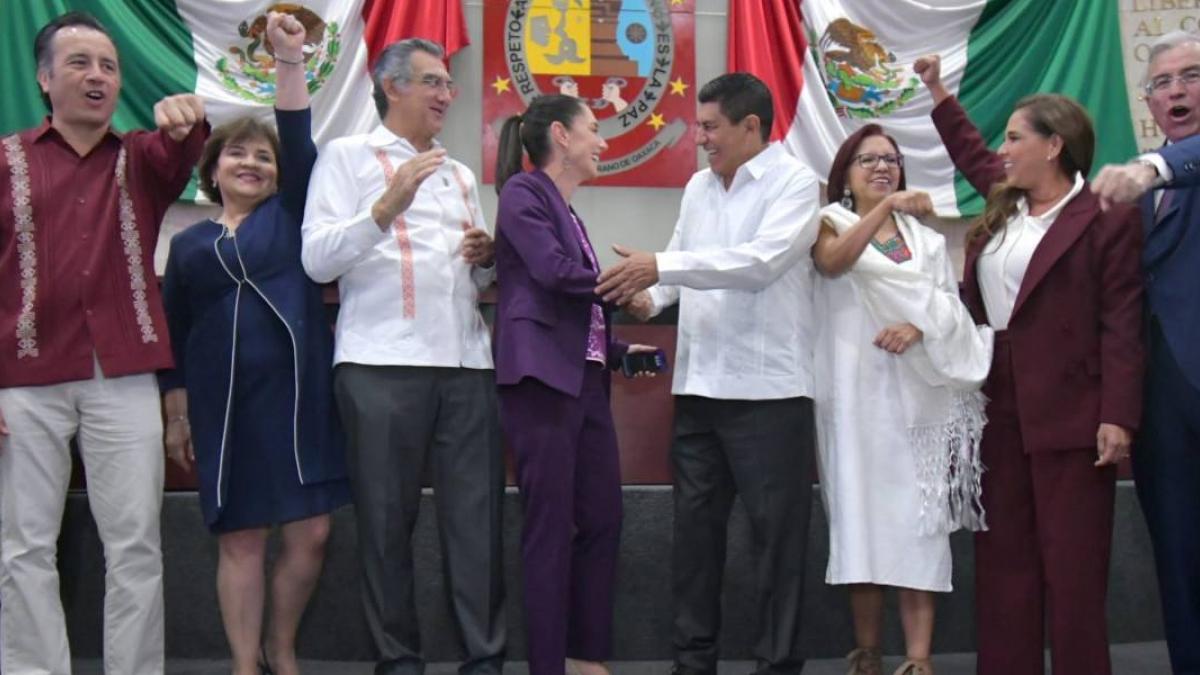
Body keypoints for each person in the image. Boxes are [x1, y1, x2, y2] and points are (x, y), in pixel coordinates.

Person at [915, 55, 1144, 675]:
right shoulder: (1005, 200)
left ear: (1054, 145)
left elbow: (1122, 320)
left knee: (1072, 567)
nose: (1003, 148)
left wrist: (1118, 415)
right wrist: (936, 90)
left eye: (1016, 137)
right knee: (1004, 563)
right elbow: (968, 151)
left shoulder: (1104, 215)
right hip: (998, 397)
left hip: (1074, 408)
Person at [0, 11, 207, 674]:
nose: (98, 76)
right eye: (81, 63)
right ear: (43, 78)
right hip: (22, 374)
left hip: (121, 372)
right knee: (24, 545)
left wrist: (187, 118)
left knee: (137, 543)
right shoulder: (4, 162)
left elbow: (184, 146)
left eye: (109, 66)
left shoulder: (143, 158)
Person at [597, 72, 821, 675]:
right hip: (697, 390)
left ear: (751, 126)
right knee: (694, 540)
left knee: (778, 546)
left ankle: (778, 664)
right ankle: (692, 663)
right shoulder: (698, 186)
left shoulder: (796, 183)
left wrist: (661, 267)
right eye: (699, 125)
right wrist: (650, 298)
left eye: (710, 126)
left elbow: (760, 263)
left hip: (769, 395)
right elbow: (677, 265)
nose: (700, 138)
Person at [301, 38, 505, 675]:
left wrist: (485, 260)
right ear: (392, 87)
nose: (447, 94)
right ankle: (397, 661)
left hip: (468, 363)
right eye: (433, 82)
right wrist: (385, 208)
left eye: (448, 84)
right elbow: (316, 260)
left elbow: (468, 282)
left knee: (477, 525)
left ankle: (485, 658)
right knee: (386, 525)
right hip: (379, 362)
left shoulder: (460, 171)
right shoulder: (346, 156)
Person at [158, 12, 350, 675]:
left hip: (298, 405)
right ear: (213, 169)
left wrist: (290, 59)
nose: (251, 162)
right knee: (239, 541)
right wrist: (175, 412)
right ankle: (245, 663)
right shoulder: (187, 246)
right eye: (237, 153)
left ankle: (282, 646)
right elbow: (173, 336)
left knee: (312, 533)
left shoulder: (292, 214)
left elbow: (297, 136)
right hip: (224, 411)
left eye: (261, 157)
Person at [811, 125, 991, 675]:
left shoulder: (930, 241)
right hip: (852, 397)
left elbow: (950, 311)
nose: (881, 167)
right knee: (859, 522)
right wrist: (885, 205)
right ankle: (866, 653)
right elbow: (833, 262)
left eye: (890, 160)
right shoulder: (829, 223)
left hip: (920, 403)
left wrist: (919, 326)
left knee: (920, 529)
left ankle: (918, 659)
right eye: (867, 160)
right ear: (845, 172)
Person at [492, 94, 657, 675]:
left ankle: (584, 655)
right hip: (540, 383)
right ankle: (548, 666)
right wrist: (625, 282)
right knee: (550, 527)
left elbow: (573, 314)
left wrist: (617, 349)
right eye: (593, 130)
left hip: (582, 383)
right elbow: (554, 275)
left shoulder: (571, 211)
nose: (602, 142)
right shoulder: (523, 193)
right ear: (560, 136)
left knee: (603, 517)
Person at [1092, 30, 1200, 675]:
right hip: (1158, 403)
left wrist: (1157, 167)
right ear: (1149, 102)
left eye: (1190, 75)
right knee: (1177, 555)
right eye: (1161, 83)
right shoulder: (1136, 182)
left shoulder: (1155, 170)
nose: (1176, 91)